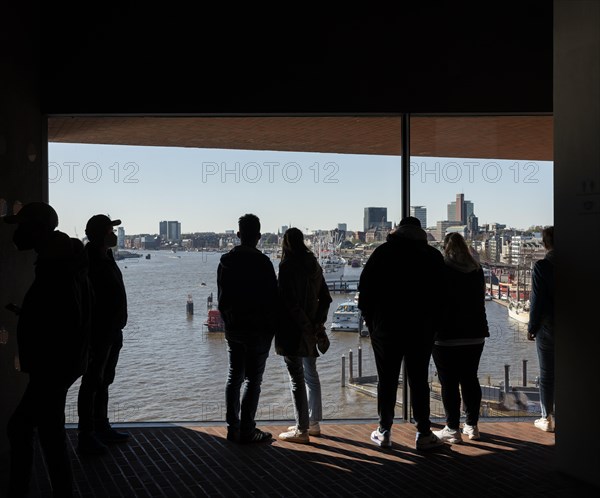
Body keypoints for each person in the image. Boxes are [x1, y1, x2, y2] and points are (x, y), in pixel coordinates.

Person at [4, 202, 91, 498]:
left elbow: (64, 319)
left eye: (21, 227)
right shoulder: (62, 260)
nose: (16, 235)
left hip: (51, 366)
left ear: (37, 229)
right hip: (60, 364)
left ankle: (20, 491)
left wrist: (31, 317)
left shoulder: (55, 267)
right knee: (49, 433)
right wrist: (29, 314)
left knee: (23, 429)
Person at [358, 216, 444, 450]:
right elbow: (444, 297)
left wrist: (372, 323)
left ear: (398, 231)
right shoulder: (433, 257)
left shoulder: (383, 253)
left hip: (386, 329)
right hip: (421, 330)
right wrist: (434, 324)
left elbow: (364, 290)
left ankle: (384, 431)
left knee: (386, 381)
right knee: (419, 381)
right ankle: (424, 433)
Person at [217, 213, 278, 444]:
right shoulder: (263, 263)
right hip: (258, 331)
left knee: (234, 377)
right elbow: (272, 299)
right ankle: (248, 429)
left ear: (238, 234)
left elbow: (222, 299)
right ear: (259, 237)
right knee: (253, 380)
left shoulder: (226, 261)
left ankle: (232, 427)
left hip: (234, 328)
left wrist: (229, 321)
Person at [77, 214, 129, 454]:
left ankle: (101, 427)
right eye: (109, 231)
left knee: (104, 380)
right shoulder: (88, 261)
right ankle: (86, 435)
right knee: (92, 382)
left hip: (112, 330)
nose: (113, 234)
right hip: (99, 332)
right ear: (99, 235)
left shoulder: (105, 256)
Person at [275, 228, 332, 444]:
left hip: (293, 331)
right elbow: (325, 298)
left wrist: (305, 325)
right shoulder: (314, 266)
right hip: (311, 331)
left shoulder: (287, 266)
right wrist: (318, 323)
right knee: (311, 376)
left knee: (296, 379)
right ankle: (312, 423)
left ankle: (302, 429)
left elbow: (288, 302)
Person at [432, 232, 489, 444]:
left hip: (446, 335)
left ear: (445, 248)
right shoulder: (476, 269)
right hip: (475, 333)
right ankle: (472, 426)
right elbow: (481, 297)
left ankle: (452, 428)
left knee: (449, 383)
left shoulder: (441, 269)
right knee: (470, 379)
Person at [527, 226, 555, 432]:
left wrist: (532, 327)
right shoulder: (579, 263)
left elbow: (536, 302)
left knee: (547, 374)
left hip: (548, 327)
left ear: (545, 244)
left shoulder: (542, 267)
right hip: (576, 327)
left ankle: (547, 418)